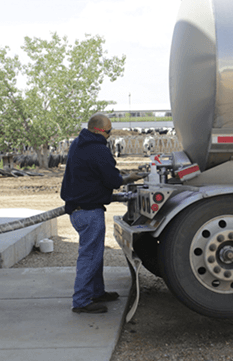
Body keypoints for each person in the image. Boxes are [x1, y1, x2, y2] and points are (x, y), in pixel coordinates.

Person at [60, 112, 143, 313]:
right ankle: (81, 301)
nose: (109, 135)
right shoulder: (98, 149)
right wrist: (130, 177)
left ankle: (97, 291)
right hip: (89, 212)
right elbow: (113, 181)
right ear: (100, 131)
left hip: (78, 211)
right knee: (89, 256)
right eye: (109, 131)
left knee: (94, 254)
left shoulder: (78, 143)